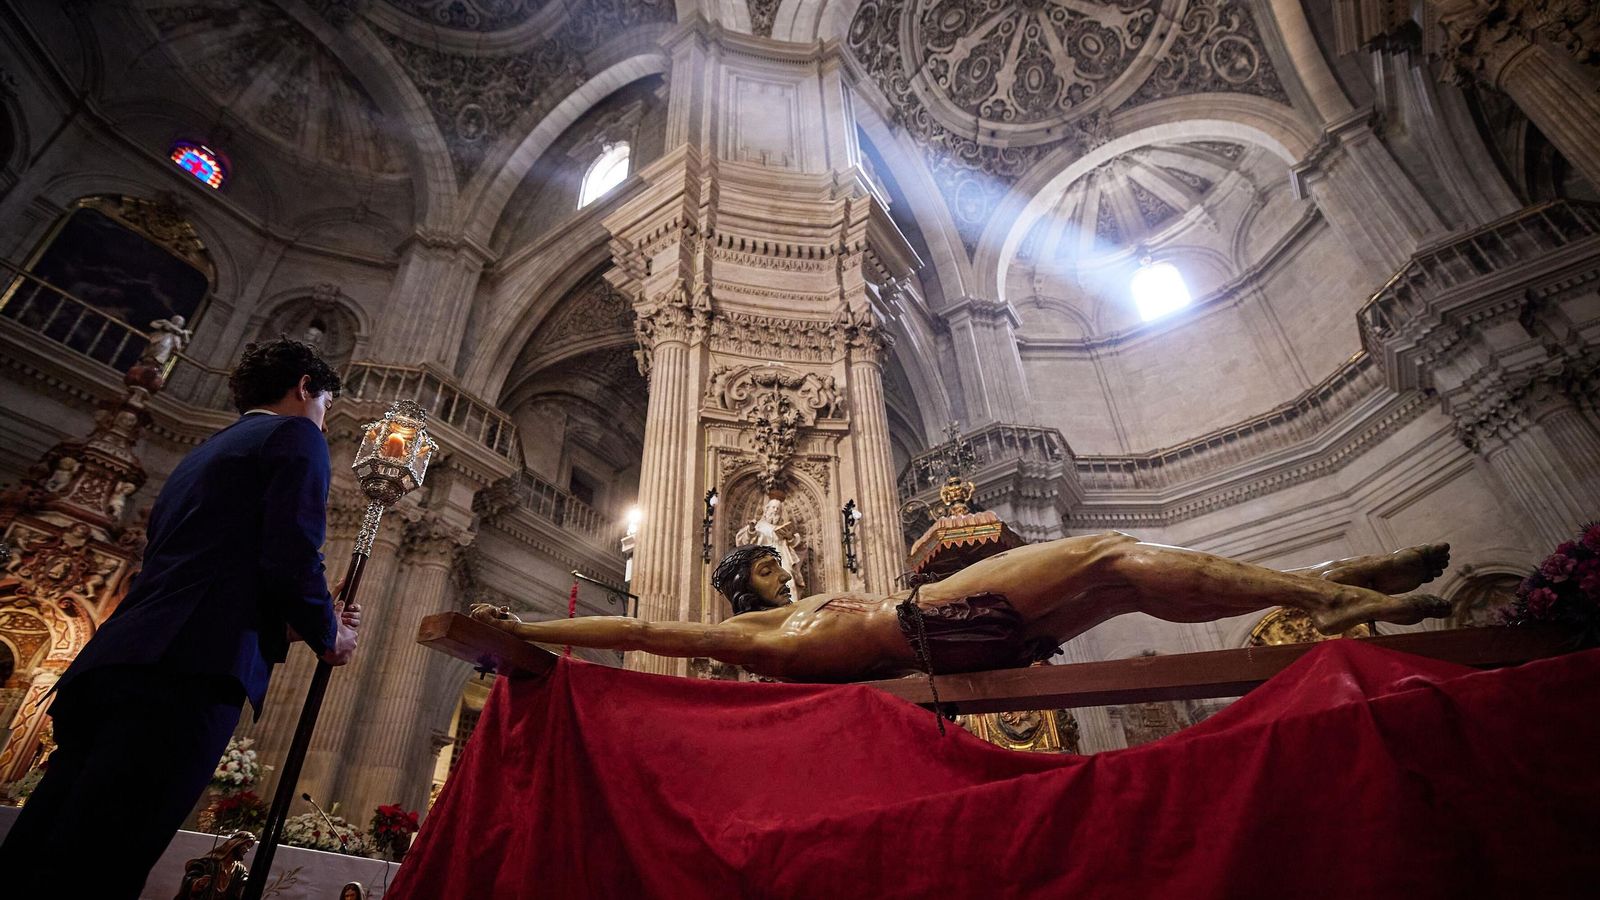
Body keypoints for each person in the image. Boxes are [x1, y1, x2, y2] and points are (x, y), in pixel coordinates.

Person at [0, 338, 361, 898]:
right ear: (305, 387)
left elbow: (209, 571)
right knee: (106, 861)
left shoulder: (207, 451)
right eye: (325, 405)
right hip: (184, 675)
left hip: (115, 664)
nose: (324, 419)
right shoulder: (296, 436)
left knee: (45, 846)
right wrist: (328, 633)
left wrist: (293, 622)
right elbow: (292, 550)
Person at [471, 535, 1454, 683]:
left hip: (960, 634)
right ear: (744, 585)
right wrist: (522, 627)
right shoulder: (742, 637)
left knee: (1126, 589)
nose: (784, 568)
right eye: (766, 564)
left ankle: (1336, 583)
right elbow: (641, 630)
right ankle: (1332, 589)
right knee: (1109, 554)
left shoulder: (811, 603)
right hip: (928, 628)